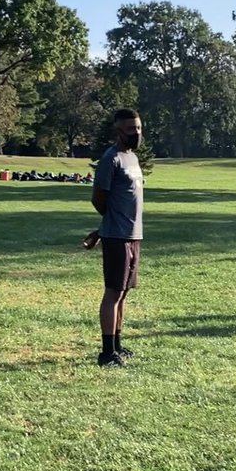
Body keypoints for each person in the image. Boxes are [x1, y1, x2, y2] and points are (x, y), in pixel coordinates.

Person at [91, 108, 145, 367]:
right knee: (113, 292)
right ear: (118, 131)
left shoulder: (132, 158)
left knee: (123, 293)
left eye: (138, 128)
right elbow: (98, 198)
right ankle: (106, 352)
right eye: (130, 129)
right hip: (117, 237)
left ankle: (118, 345)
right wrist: (109, 224)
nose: (135, 133)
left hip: (134, 235)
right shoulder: (110, 159)